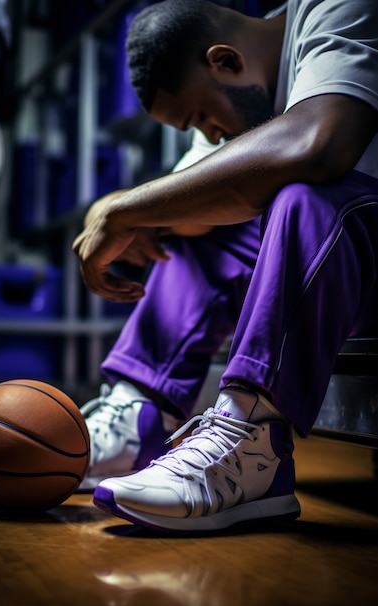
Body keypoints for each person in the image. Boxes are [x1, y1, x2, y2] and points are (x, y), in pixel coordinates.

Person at [72, 0, 378, 533]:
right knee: (204, 218)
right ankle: (138, 418)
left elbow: (320, 142)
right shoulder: (241, 99)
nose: (212, 135)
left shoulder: (342, 9)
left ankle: (255, 445)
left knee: (305, 197)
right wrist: (148, 215)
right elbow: (196, 203)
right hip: (347, 275)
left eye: (203, 118)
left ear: (224, 61)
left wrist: (121, 209)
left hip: (357, 242)